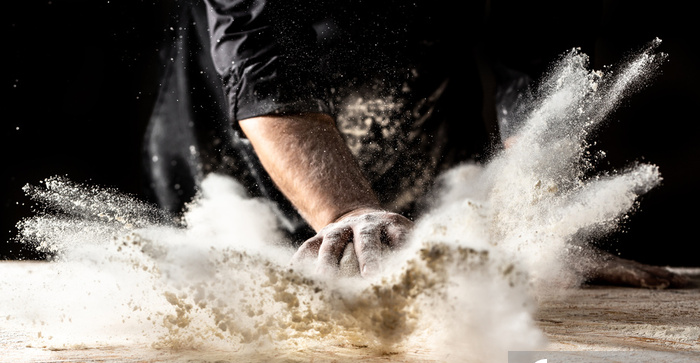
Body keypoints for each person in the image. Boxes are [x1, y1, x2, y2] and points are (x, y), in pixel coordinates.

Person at [143, 0, 688, 288]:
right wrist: (348, 211)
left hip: (428, 121)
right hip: (240, 154)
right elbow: (262, 66)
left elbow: (542, 63)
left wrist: (537, 228)